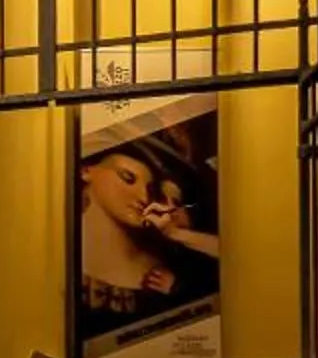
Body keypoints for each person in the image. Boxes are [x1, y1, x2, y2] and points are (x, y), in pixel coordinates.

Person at [78, 138, 219, 344]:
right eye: (128, 178)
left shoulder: (174, 264)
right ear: (86, 171)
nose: (144, 197)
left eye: (150, 189)